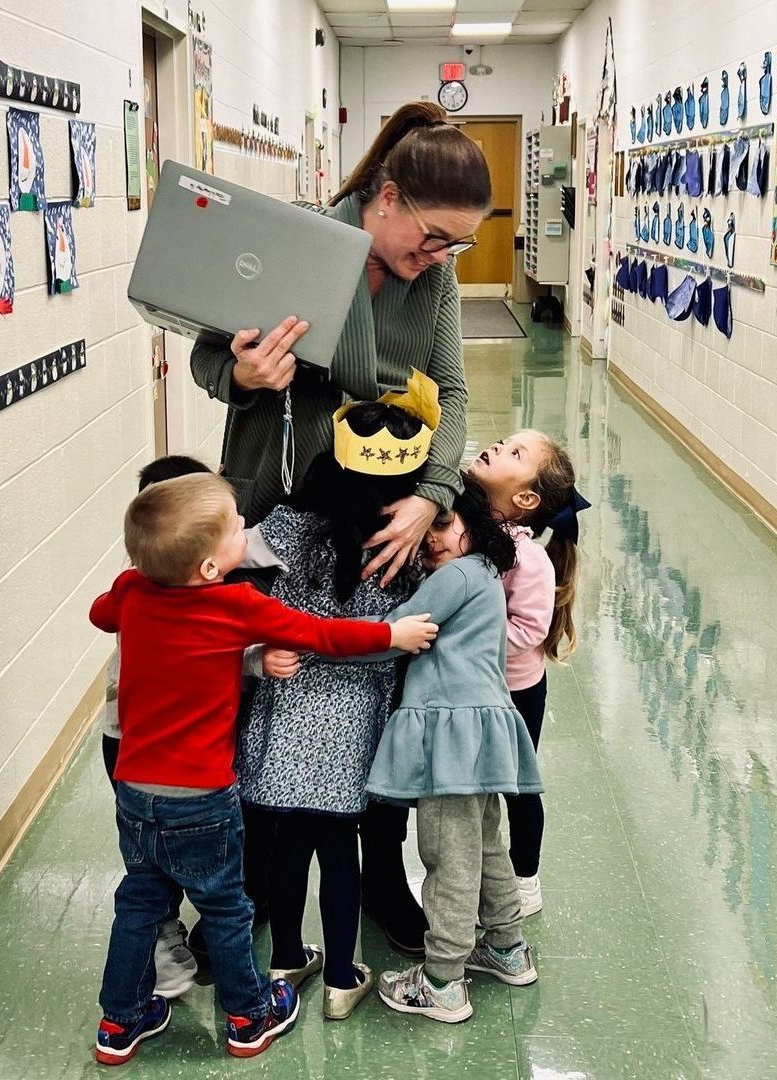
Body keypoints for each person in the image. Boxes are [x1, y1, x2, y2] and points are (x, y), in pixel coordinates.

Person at [190, 99, 492, 951]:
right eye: (432, 236)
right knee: (263, 685)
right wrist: (246, 375)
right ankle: (252, 887)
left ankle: (377, 874)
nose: (437, 257)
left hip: (381, 509)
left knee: (375, 690)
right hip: (272, 499)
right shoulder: (293, 245)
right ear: (386, 196)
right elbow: (208, 355)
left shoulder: (428, 281)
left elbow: (453, 391)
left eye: (455, 246)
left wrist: (432, 494)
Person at [90, 472, 437, 1064]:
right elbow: (322, 634)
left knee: (140, 902)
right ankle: (250, 1016)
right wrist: (393, 632)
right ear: (206, 569)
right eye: (234, 530)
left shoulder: (131, 590)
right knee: (227, 907)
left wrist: (141, 586)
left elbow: (101, 614)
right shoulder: (235, 604)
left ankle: (119, 1024)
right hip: (202, 793)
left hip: (134, 785)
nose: (246, 531)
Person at [236, 373, 439, 1021]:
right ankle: (342, 977)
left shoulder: (290, 526)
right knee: (339, 848)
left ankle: (288, 956)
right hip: (354, 720)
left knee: (288, 843)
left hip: (285, 706)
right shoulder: (403, 546)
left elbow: (239, 570)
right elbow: (403, 637)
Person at [364, 478, 543, 1023]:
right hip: (482, 730)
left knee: (449, 856)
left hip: (450, 737)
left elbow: (397, 628)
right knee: (486, 844)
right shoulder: (486, 572)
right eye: (424, 535)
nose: (431, 541)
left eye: (440, 525)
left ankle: (442, 980)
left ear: (471, 521)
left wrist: (332, 639)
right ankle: (508, 948)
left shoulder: (456, 575)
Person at [101, 457, 213, 1005]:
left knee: (145, 858)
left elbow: (101, 612)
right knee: (164, 860)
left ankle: (154, 960)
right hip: (148, 748)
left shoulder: (132, 588)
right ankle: (172, 944)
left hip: (126, 745)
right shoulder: (191, 596)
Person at [467, 431, 587, 916]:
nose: (498, 446)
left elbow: (530, 629)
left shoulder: (528, 557)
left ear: (526, 499)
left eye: (515, 453)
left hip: (515, 691)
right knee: (476, 783)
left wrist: (469, 643)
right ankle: (478, 870)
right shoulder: (467, 530)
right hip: (472, 685)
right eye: (503, 442)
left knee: (518, 785)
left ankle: (525, 877)